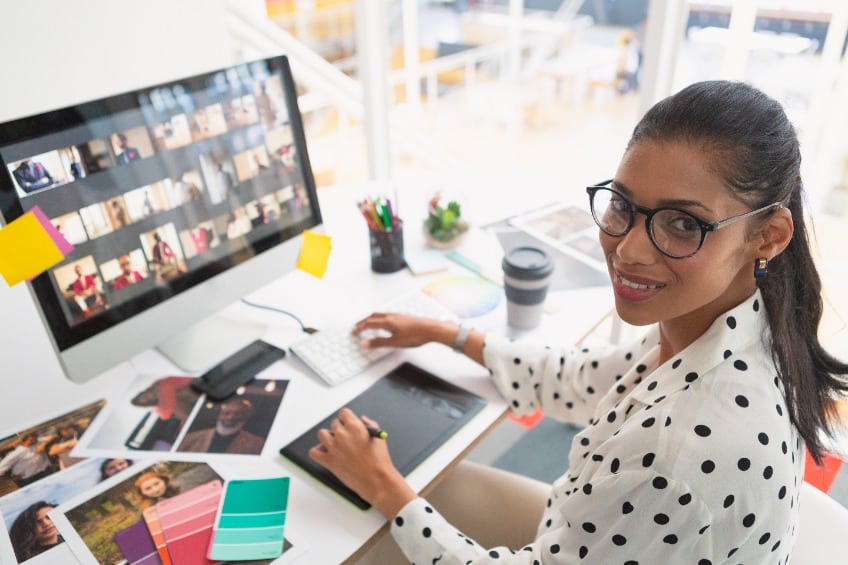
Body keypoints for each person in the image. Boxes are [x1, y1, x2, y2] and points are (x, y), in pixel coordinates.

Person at [308, 81, 848, 564]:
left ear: (770, 236)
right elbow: (581, 376)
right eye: (624, 206)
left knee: (363, 521)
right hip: (607, 532)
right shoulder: (730, 325)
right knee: (430, 485)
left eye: (684, 224)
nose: (629, 249)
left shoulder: (677, 452)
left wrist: (384, 487)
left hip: (623, 525)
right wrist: (447, 334)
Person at [178, 397, 265, 455]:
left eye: (238, 414)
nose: (231, 417)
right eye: (227, 413)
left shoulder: (257, 444)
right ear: (219, 413)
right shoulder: (190, 438)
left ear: (247, 416)